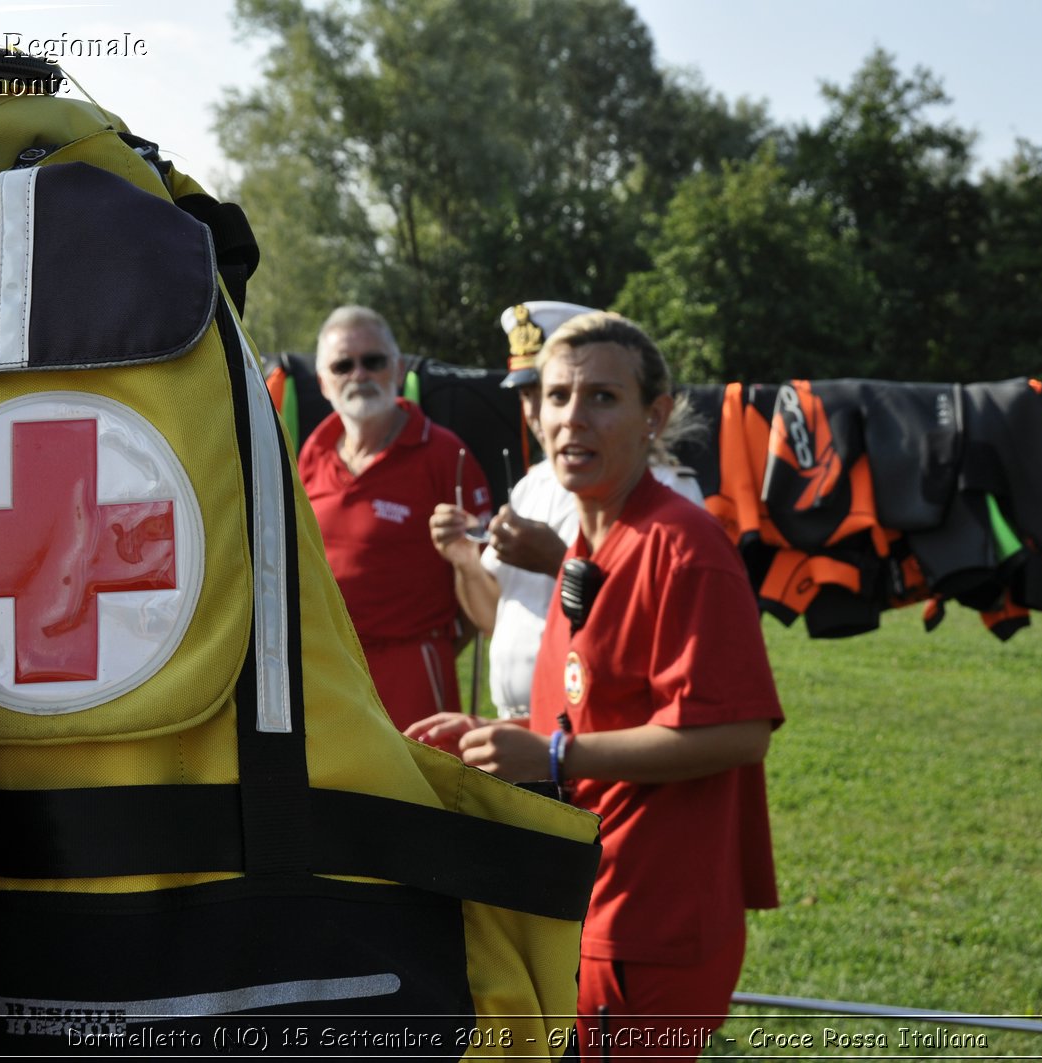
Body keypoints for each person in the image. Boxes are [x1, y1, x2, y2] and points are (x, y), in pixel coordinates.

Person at [408, 311, 783, 1058]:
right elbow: (591, 701)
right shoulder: (589, 537)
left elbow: (739, 733)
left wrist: (551, 756)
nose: (572, 417)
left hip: (652, 921)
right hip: (591, 900)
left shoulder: (682, 545)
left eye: (603, 397)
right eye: (555, 397)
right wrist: (490, 740)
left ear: (657, 414)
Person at [428, 301, 704, 720]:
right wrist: (465, 557)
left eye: (596, 396)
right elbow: (499, 622)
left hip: (603, 729)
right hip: (531, 728)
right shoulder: (531, 485)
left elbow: (663, 635)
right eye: (533, 394)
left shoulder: (666, 492)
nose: (548, 412)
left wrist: (559, 562)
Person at [297, 305, 492, 730]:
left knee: (418, 795)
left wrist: (432, 650)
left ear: (398, 368)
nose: (359, 375)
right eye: (343, 365)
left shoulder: (446, 454)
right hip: (328, 672)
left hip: (413, 670)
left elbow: (486, 580)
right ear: (324, 383)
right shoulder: (312, 452)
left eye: (373, 361)